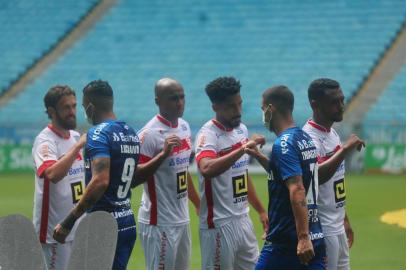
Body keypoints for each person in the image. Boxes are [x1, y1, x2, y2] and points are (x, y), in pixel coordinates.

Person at [53, 80, 180, 270]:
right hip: (127, 222)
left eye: (83, 106)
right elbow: (132, 177)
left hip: (102, 224)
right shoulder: (129, 133)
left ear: (90, 107)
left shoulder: (97, 134)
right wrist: (162, 156)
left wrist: (68, 221)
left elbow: (100, 182)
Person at [195, 76, 268, 270]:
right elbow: (206, 168)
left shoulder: (241, 130)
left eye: (240, 104)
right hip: (219, 225)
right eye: (231, 107)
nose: (238, 111)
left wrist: (260, 210)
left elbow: (241, 175)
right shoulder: (208, 135)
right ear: (216, 107)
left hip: (243, 220)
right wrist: (243, 149)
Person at [252, 85, 326, 270]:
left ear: (271, 109)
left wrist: (302, 237)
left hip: (286, 242)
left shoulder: (283, 143)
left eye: (263, 109)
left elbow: (297, 188)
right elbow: (288, 175)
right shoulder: (304, 138)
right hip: (314, 235)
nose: (263, 115)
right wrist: (259, 157)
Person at [137, 78, 200, 270]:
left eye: (182, 97)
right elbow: (135, 176)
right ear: (158, 101)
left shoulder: (184, 127)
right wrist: (163, 154)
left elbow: (181, 170)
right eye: (174, 98)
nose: (180, 102)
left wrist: (198, 203)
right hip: (159, 222)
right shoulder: (148, 134)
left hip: (182, 219)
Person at [303, 78, 365, 270]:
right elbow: (316, 176)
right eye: (334, 102)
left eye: (342, 100)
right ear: (315, 104)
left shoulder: (332, 134)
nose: (341, 106)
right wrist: (344, 149)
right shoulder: (309, 138)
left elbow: (334, 184)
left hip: (337, 226)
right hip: (322, 229)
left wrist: (344, 219)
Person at [32, 85, 85, 270]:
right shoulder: (45, 141)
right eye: (66, 108)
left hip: (76, 227)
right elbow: (52, 174)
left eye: (74, 106)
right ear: (52, 111)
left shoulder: (75, 136)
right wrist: (77, 148)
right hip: (54, 232)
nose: (72, 112)